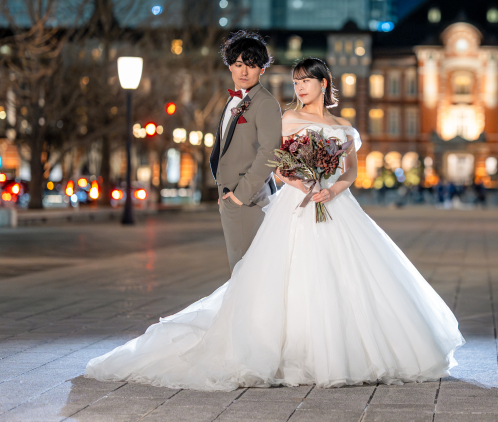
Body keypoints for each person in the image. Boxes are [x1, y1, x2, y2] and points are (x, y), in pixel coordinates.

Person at [85, 57, 465, 391]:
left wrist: (331, 190)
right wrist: (306, 182)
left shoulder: (343, 126)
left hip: (337, 204)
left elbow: (351, 172)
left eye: (306, 81)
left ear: (323, 84)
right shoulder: (288, 119)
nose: (299, 87)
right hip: (296, 205)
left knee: (351, 276)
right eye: (296, 82)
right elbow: (279, 168)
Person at [208, 30, 282, 271]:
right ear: (229, 65)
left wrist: (240, 196)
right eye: (238, 64)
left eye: (251, 65)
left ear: (262, 69)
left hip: (248, 199)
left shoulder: (266, 102)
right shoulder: (234, 100)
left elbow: (270, 152)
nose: (243, 71)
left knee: (245, 270)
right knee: (241, 268)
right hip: (231, 195)